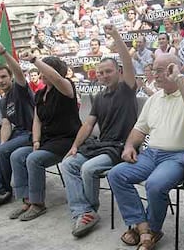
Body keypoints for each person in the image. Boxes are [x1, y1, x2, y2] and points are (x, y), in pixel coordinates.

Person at [108, 53, 184, 249]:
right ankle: (144, 227)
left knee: (154, 184)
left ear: (176, 70)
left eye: (162, 70)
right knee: (116, 174)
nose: (156, 74)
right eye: (154, 70)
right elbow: (139, 129)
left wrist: (179, 78)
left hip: (182, 156)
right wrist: (129, 146)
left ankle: (152, 229)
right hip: (152, 154)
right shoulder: (154, 99)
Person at [61, 24, 138, 237]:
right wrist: (75, 146)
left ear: (118, 72)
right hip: (101, 146)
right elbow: (88, 125)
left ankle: (89, 210)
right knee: (67, 163)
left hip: (121, 147)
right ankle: (83, 211)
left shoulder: (127, 89)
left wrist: (115, 36)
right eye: (101, 72)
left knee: (87, 169)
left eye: (108, 71)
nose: (104, 75)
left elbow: (128, 61)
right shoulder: (99, 97)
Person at [8, 54, 81, 221]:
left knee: (34, 159)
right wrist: (36, 140)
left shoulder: (66, 87)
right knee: (16, 155)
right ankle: (26, 199)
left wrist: (35, 61)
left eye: (43, 70)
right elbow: (37, 120)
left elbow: (56, 78)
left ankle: (37, 203)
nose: (41, 74)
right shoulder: (40, 94)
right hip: (46, 140)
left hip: (66, 140)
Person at [0, 43, 35, 210]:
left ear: (10, 77)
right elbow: (6, 124)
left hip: (31, 133)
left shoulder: (20, 89)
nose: (1, 81)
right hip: (17, 134)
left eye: (3, 77)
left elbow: (18, 71)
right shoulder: (2, 101)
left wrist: (3, 52)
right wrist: (3, 142)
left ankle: (4, 190)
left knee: (2, 151)